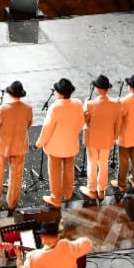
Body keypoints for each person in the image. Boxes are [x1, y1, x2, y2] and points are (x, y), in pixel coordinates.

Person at [37, 78, 85, 210]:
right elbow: (82, 122)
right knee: (69, 170)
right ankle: (68, 194)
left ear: (60, 93)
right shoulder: (78, 103)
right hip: (71, 144)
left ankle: (55, 198)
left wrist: (40, 142)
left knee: (55, 172)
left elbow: (47, 127)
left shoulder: (55, 107)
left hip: (55, 147)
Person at [0, 80, 33, 214]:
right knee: (16, 176)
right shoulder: (28, 108)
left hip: (3, 146)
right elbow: (29, 124)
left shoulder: (3, 109)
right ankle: (12, 203)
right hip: (19, 146)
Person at [82, 75, 119, 203]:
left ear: (97, 89)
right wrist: (114, 138)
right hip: (107, 138)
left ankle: (92, 190)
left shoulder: (90, 104)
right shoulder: (116, 103)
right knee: (103, 164)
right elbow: (118, 124)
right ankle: (102, 190)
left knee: (92, 163)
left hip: (92, 139)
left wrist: (84, 105)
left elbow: (84, 120)